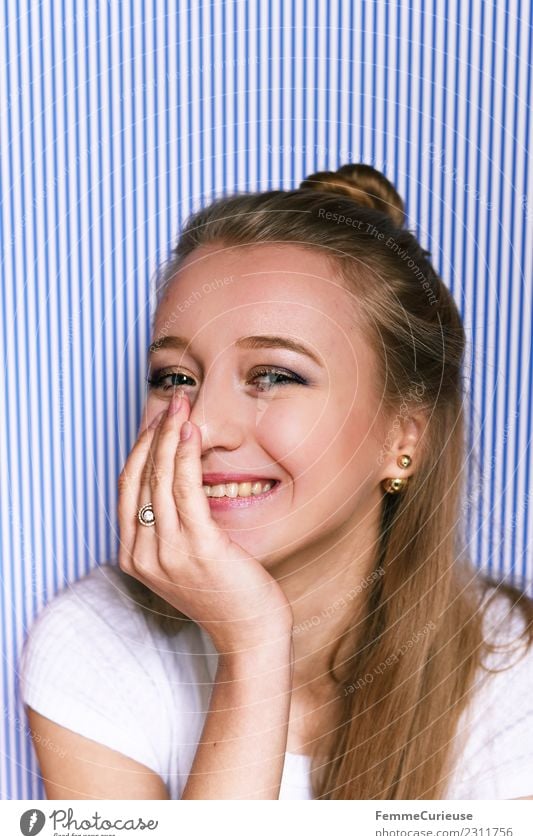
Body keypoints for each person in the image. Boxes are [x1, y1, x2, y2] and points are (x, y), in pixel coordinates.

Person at [19, 164, 533, 800]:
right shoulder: (97, 646)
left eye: (276, 375)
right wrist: (256, 650)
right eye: (175, 378)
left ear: (404, 438)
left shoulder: (515, 685)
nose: (201, 426)